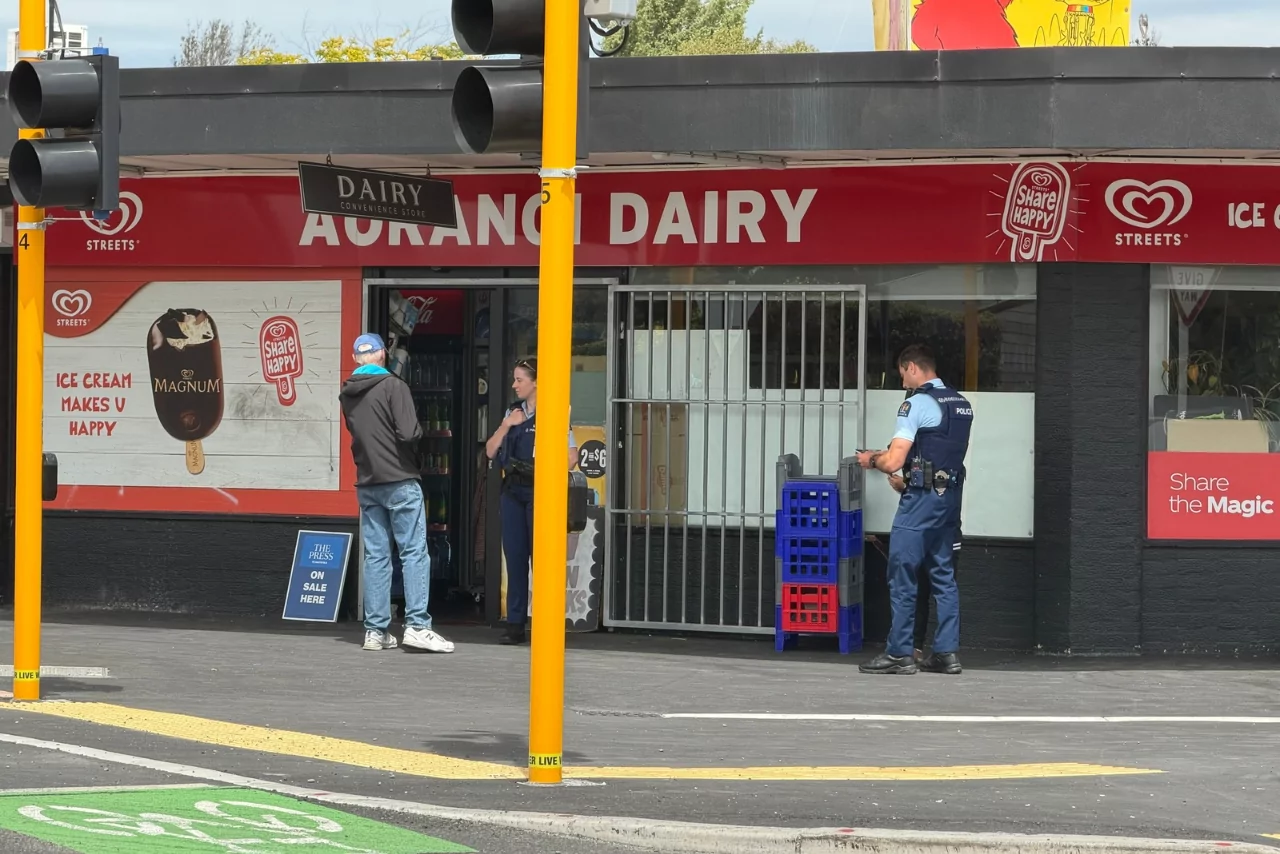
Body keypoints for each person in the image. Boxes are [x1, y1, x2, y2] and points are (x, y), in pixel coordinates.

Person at [856, 344, 971, 675]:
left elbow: (894, 460)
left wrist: (872, 460)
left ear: (912, 367)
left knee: (902, 573)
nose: (903, 381)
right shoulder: (960, 404)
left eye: (902, 373)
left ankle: (899, 653)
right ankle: (947, 653)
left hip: (920, 502)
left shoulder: (916, 403)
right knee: (943, 576)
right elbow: (937, 450)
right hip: (949, 500)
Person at [339, 332, 455, 654]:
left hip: (368, 482)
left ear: (355, 359)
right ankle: (417, 625)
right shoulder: (394, 386)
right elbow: (409, 432)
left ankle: (375, 632)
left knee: (376, 556)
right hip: (400, 479)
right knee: (413, 553)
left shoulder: (347, 393)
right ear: (383, 355)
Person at [484, 358, 578, 645]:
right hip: (512, 492)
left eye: (519, 380)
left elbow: (572, 457)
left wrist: (547, 471)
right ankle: (515, 625)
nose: (514, 385)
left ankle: (546, 625)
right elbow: (489, 452)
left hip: (540, 492)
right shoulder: (512, 413)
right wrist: (505, 425)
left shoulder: (555, 412)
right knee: (514, 560)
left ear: (535, 382)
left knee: (543, 561)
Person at [887, 470, 962, 662]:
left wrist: (875, 461)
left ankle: (908, 649)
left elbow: (927, 498)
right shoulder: (954, 463)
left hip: (923, 530)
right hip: (949, 532)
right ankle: (945, 652)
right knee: (945, 587)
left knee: (913, 588)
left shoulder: (930, 462)